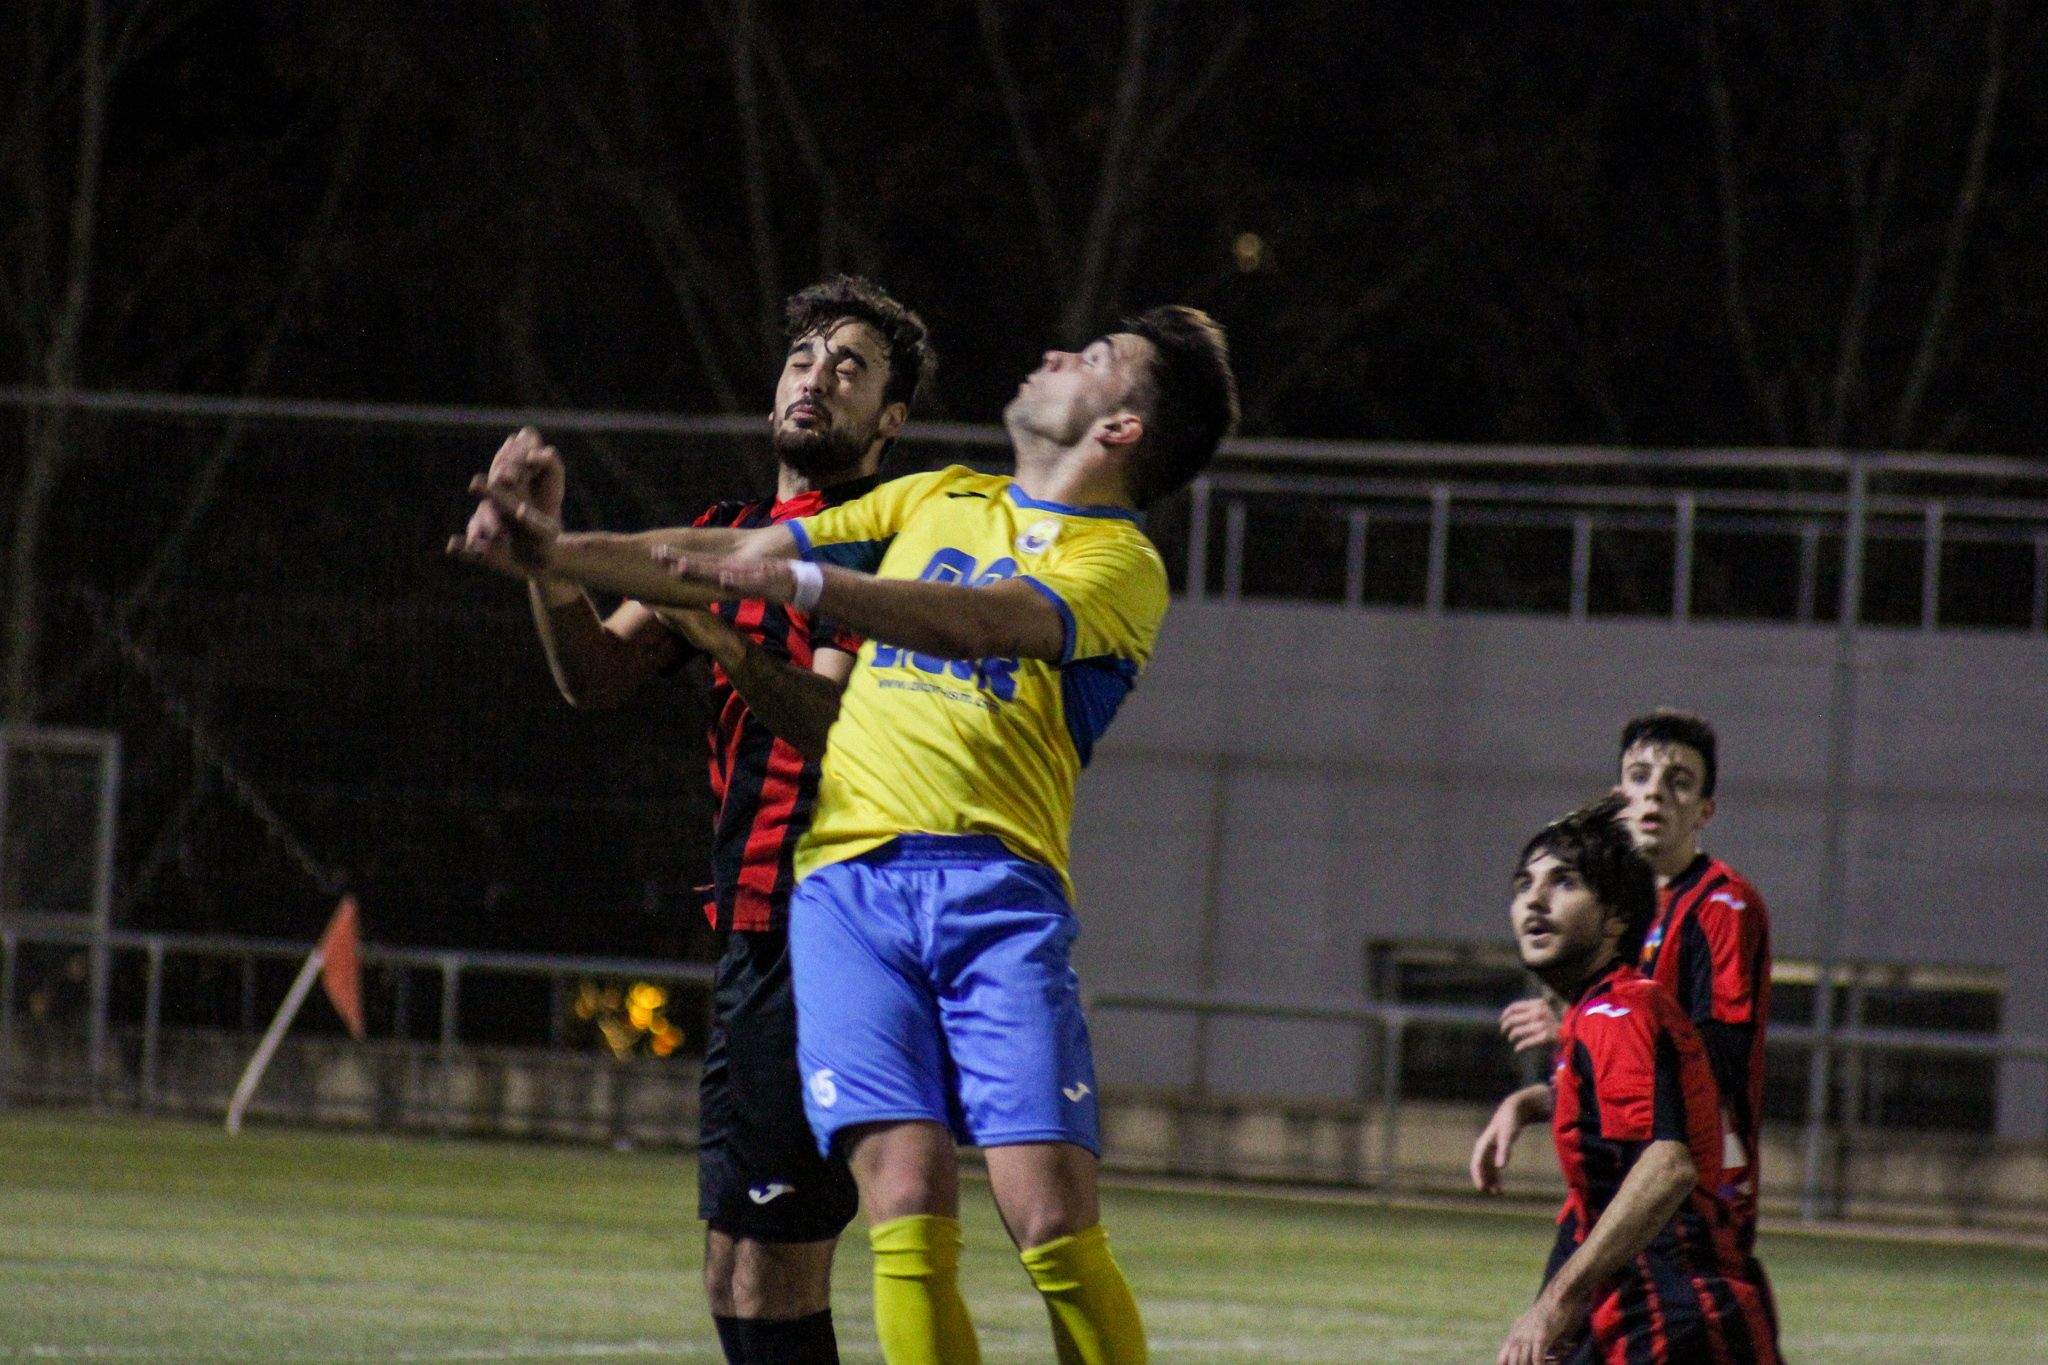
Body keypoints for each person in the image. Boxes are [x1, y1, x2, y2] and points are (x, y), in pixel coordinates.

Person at [464, 305, 1238, 1364]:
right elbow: (724, 552)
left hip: (992, 889)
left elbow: (977, 621)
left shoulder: (1119, 563)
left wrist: (795, 586)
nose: (1057, 351)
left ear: (1119, 432)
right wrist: (553, 553)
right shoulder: (937, 496)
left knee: (1049, 1228)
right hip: (836, 893)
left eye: (1094, 359)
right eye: (802, 354)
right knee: (901, 1215)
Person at [454, 276, 935, 1365]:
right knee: (730, 1264)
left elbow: (833, 726)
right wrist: (547, 559)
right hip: (752, 932)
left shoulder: (877, 546)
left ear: (888, 424)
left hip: (832, 930)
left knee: (772, 1272)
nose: (816, 377)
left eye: (849, 368)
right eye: (804, 356)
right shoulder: (725, 534)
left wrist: (717, 632)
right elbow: (595, 673)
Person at [1492, 797, 1779, 1365]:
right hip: (1646, 1311)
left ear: (1616, 919)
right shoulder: (1603, 1012)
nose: (1534, 900)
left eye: (1563, 883)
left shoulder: (1614, 1014)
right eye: (1525, 884)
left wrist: (1554, 1304)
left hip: (1678, 1319)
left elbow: (1666, 1165)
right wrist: (1526, 1104)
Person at [1477, 710, 1773, 1250]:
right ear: (1619, 795)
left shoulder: (1723, 906)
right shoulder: (1611, 909)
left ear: (1705, 811)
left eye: (1678, 782)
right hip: (1608, 1190)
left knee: (1563, 1326)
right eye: (1640, 777)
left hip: (1689, 1200)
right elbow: (1618, 1081)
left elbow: (1716, 1059)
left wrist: (1576, 1027)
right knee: (1551, 1328)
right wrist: (1525, 1102)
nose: (1655, 794)